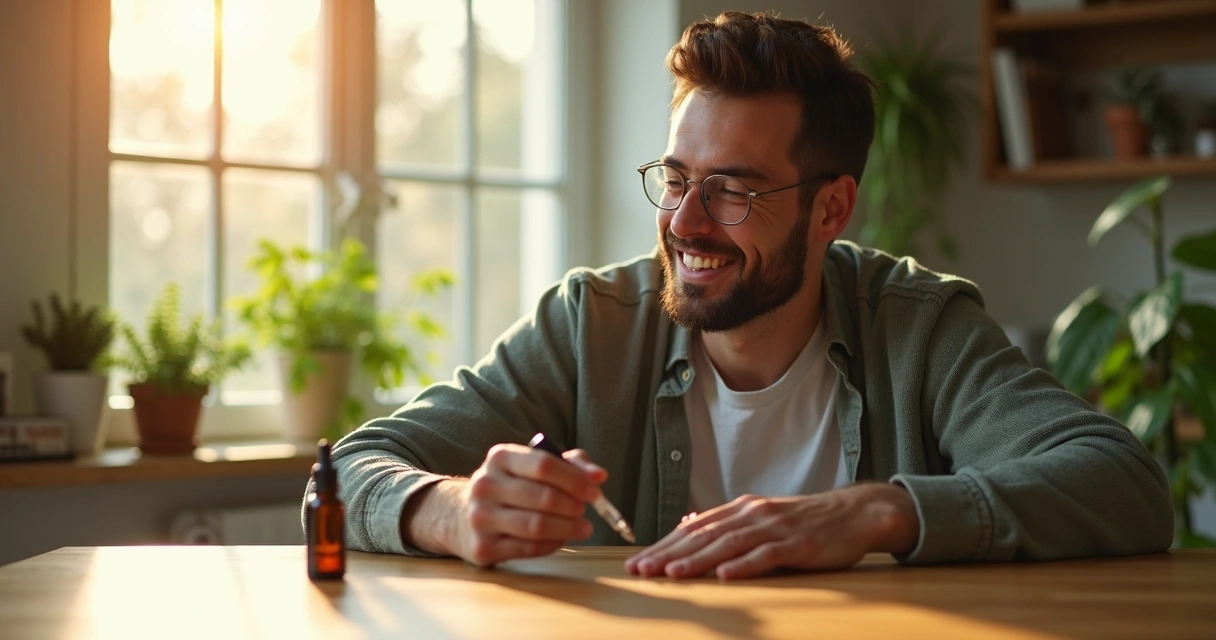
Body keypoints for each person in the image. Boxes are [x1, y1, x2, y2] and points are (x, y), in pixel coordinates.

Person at [308, 11, 1172, 580]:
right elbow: (342, 473)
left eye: (735, 190)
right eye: (676, 178)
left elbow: (1125, 485)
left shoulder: (919, 327)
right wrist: (451, 509)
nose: (686, 222)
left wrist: (878, 511)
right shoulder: (590, 324)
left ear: (831, 206)